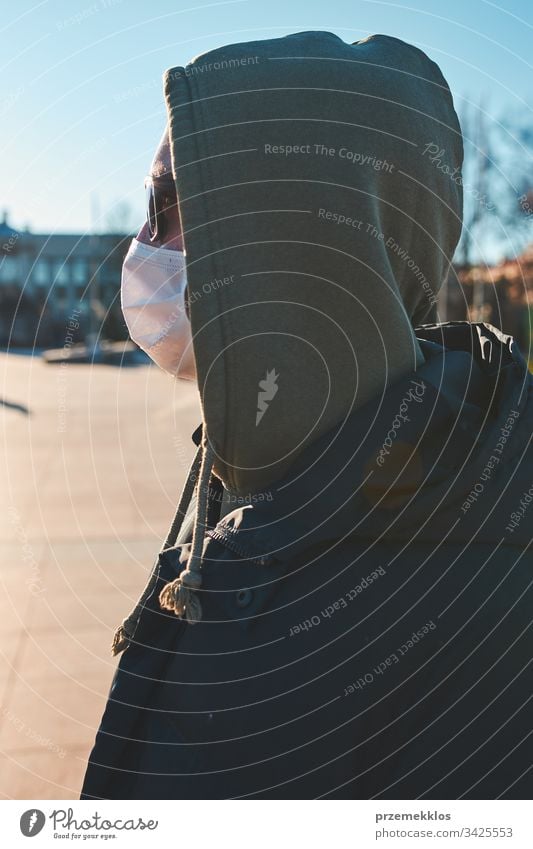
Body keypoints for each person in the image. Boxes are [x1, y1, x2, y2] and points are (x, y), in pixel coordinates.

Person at [81, 31, 533, 800]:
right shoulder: (261, 470)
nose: (143, 247)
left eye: (169, 208)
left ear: (288, 234)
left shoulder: (469, 588)